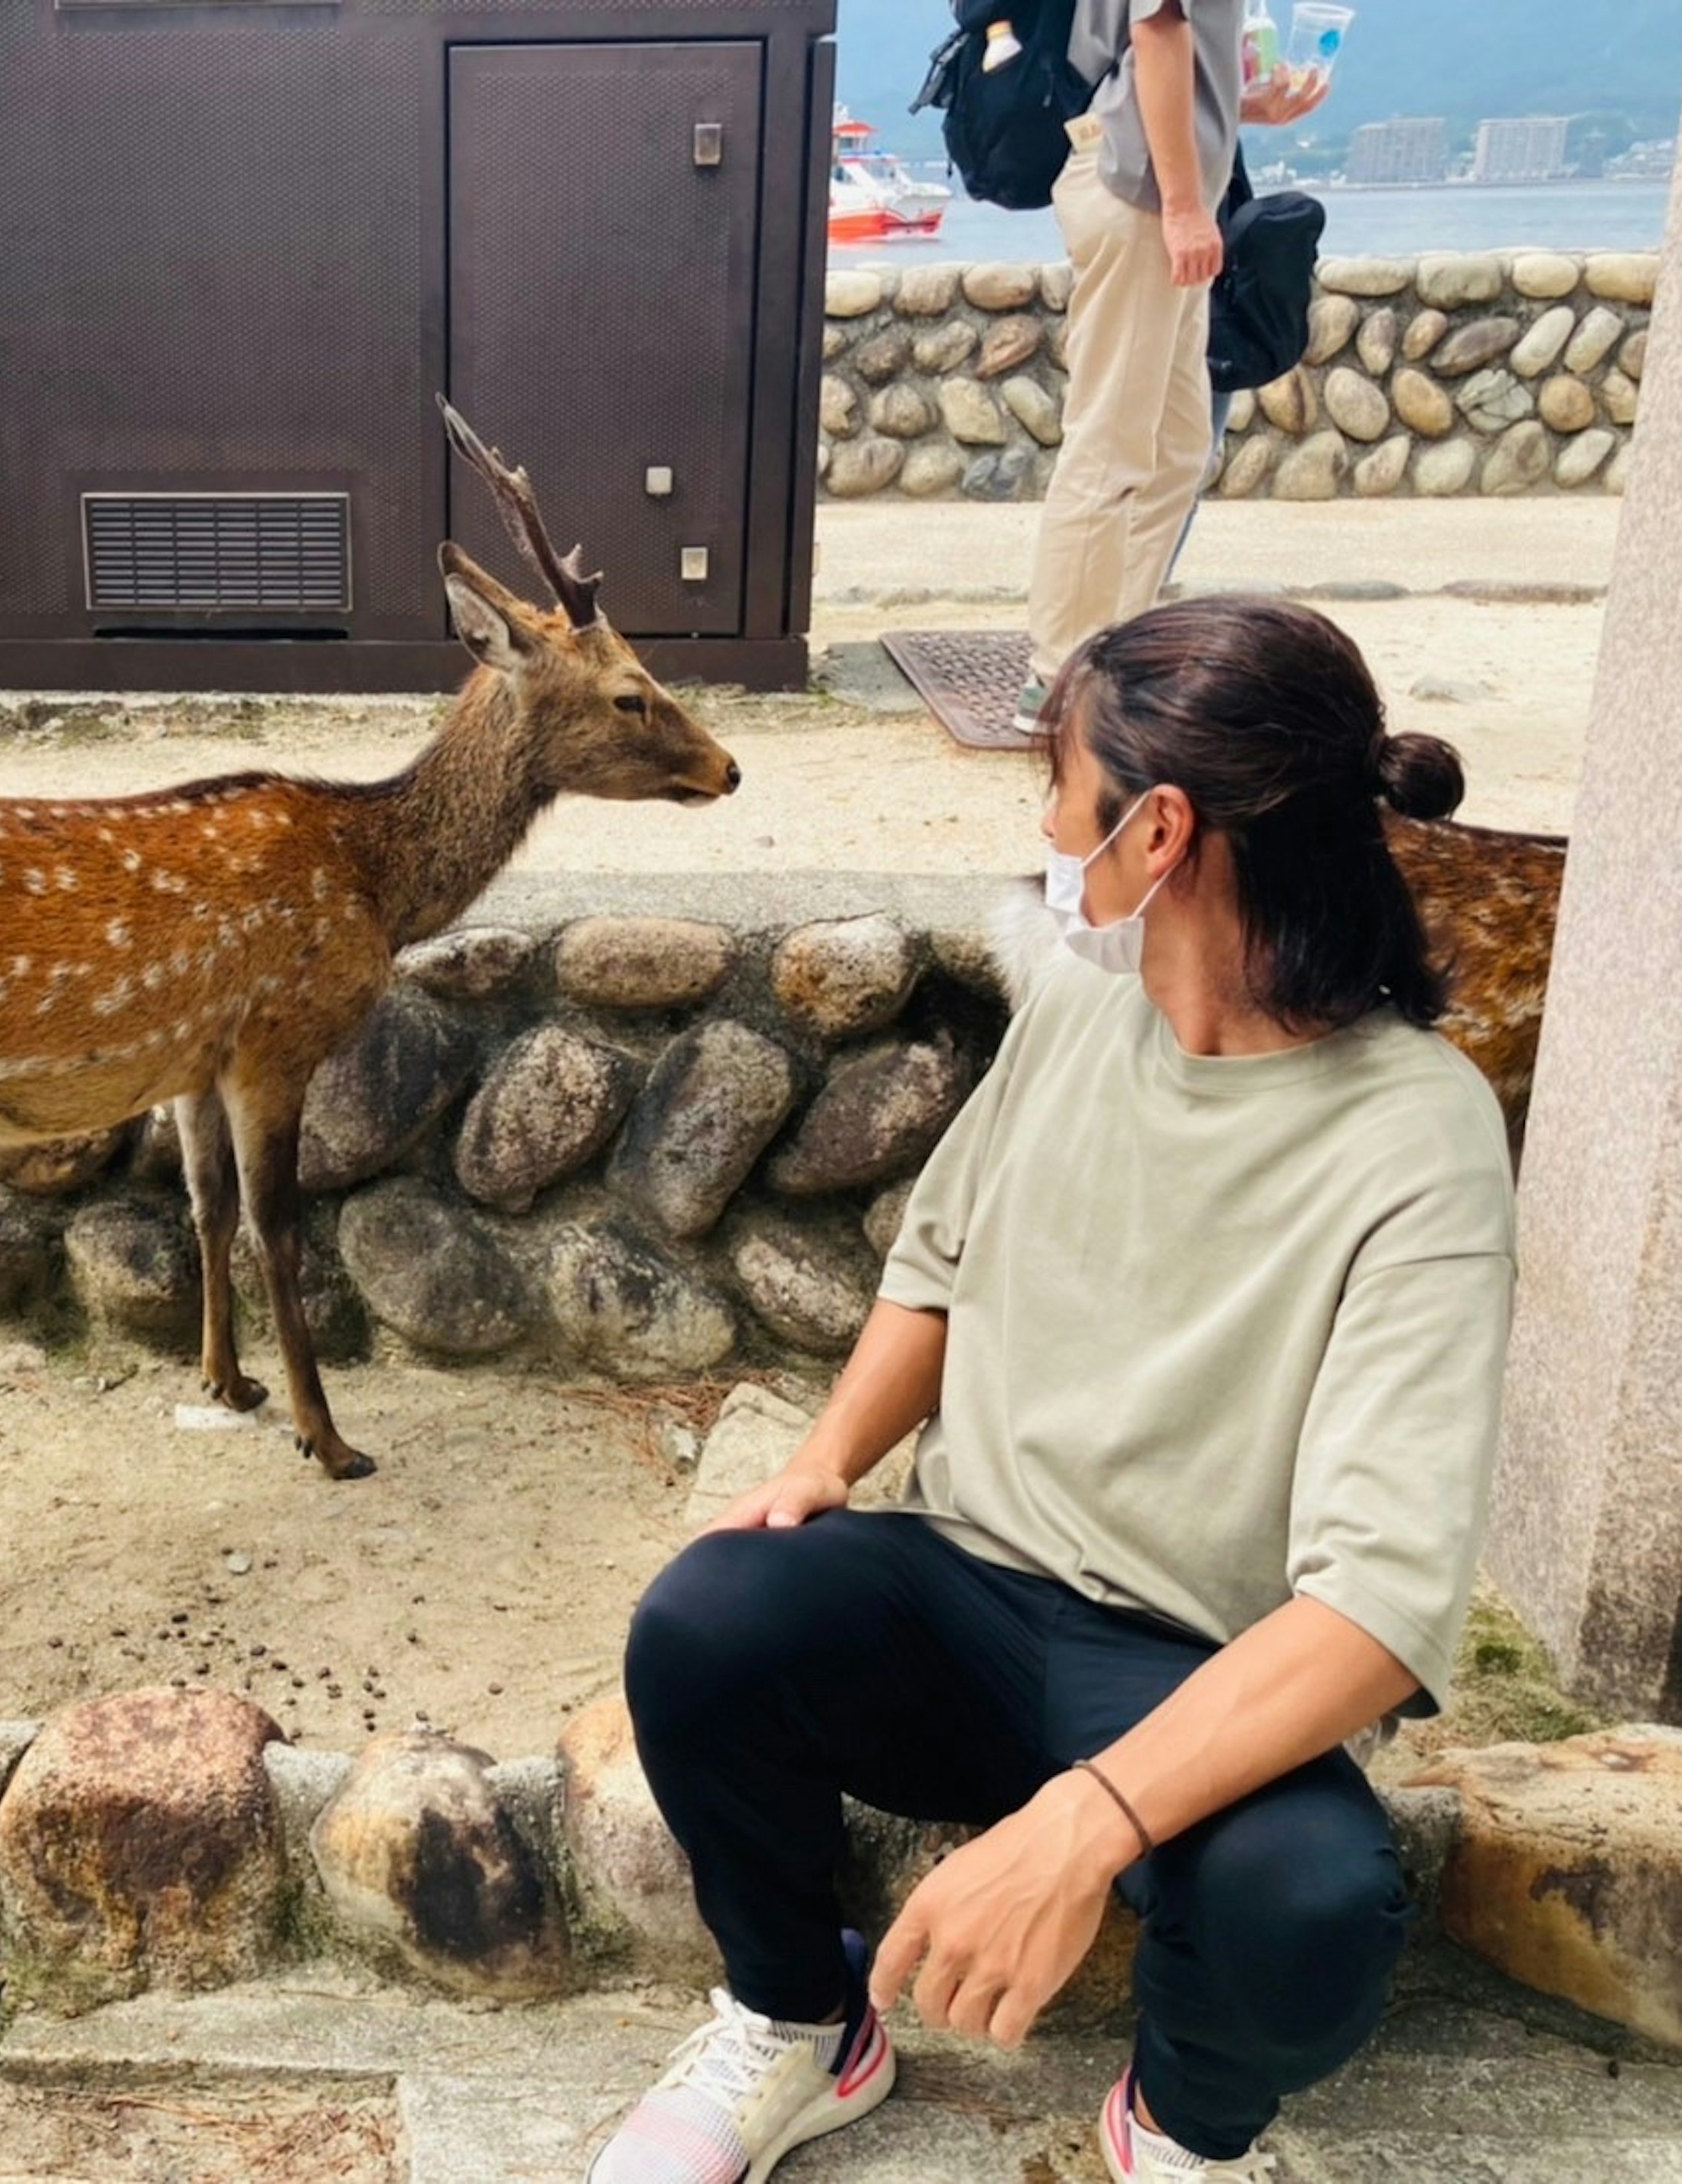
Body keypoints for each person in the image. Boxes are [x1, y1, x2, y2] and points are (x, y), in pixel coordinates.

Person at [585, 595, 1516, 2184]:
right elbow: (939, 1258)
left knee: (1312, 1902)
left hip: (1188, 1661)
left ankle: (1172, 2128)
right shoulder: (1085, 1003)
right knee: (707, 1618)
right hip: (963, 1584)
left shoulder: (1417, 1134)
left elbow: (1376, 1606)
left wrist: (1085, 1822)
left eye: (1063, 786)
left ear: (1160, 831)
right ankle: (802, 2018)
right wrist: (827, 1456)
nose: (1040, 823)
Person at [1010, 4, 1328, 743]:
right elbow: (1156, 31)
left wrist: (1241, 107)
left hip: (1155, 186)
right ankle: (1058, 678)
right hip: (1142, 194)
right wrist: (1185, 209)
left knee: (1177, 445)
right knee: (1112, 443)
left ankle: (1120, 654)